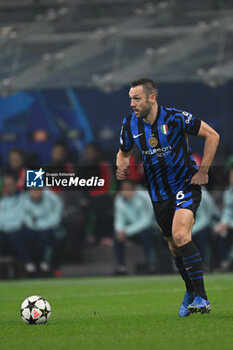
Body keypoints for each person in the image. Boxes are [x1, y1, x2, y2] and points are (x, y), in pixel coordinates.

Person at [116, 78, 219, 317]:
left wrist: (203, 170)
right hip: (158, 194)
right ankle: (190, 291)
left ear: (152, 98)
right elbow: (123, 153)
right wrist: (121, 167)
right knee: (174, 245)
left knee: (181, 235)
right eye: (130, 98)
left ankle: (202, 298)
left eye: (137, 98)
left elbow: (212, 135)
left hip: (185, 184)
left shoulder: (176, 118)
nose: (132, 103)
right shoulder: (129, 124)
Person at [114, 179, 157, 274]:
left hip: (152, 227)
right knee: (116, 236)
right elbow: (119, 219)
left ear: (133, 189)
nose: (126, 192)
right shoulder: (119, 199)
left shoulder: (144, 197)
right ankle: (121, 267)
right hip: (132, 229)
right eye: (124, 189)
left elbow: (146, 220)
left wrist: (127, 231)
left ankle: (151, 266)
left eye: (128, 189)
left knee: (146, 234)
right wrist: (120, 231)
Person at [214, 165, 233, 270]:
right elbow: (227, 211)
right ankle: (224, 262)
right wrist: (222, 223)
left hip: (231, 224)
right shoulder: (228, 191)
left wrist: (228, 224)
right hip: (229, 224)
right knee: (221, 233)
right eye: (231, 175)